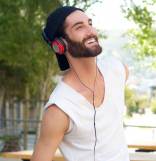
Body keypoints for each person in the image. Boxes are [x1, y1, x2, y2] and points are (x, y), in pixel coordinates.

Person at [31, 6, 130, 161]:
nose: (90, 31)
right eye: (79, 27)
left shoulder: (119, 71)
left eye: (90, 23)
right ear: (60, 44)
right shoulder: (60, 108)